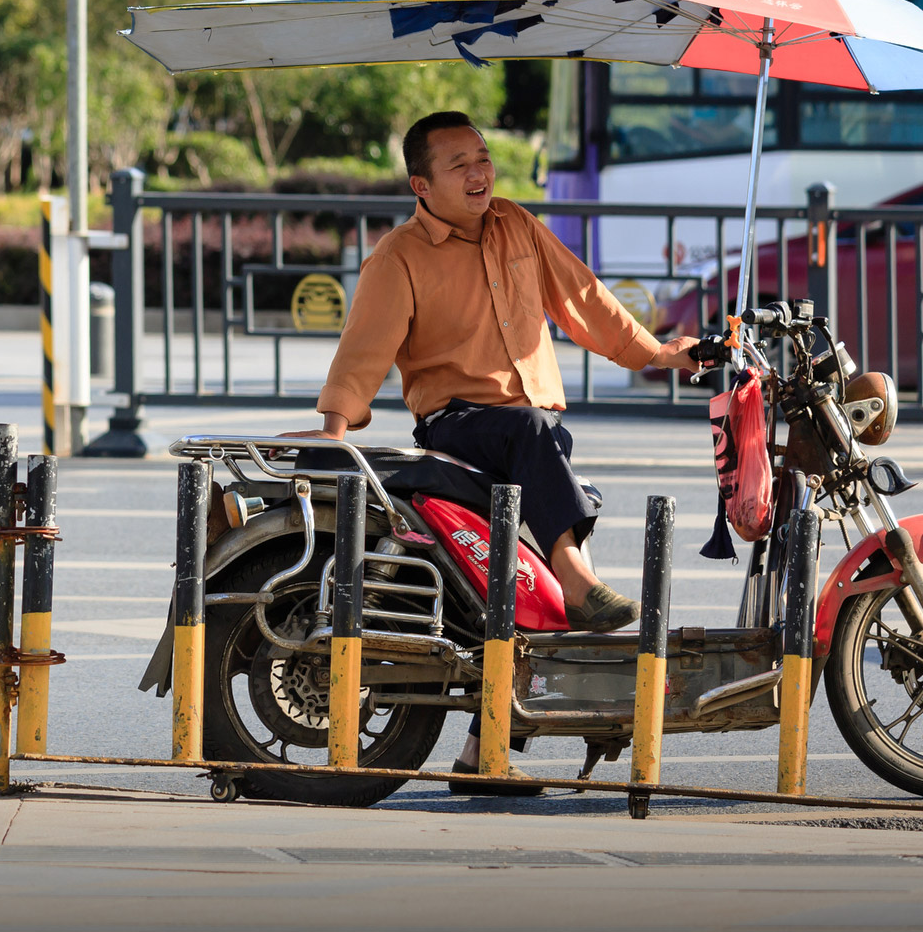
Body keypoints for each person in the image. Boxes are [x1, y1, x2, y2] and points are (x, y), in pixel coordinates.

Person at [288, 111, 699, 794]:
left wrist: (658, 354)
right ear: (421, 184)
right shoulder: (399, 256)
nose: (480, 172)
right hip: (460, 425)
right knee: (568, 562)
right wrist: (333, 429)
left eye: (482, 157)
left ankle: (483, 752)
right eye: (460, 165)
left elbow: (586, 300)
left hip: (533, 437)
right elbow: (363, 351)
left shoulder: (516, 224)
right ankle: (573, 580)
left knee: (538, 602)